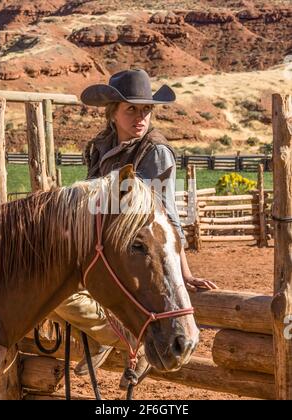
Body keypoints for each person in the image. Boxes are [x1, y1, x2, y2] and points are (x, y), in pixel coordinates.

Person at [51, 69, 217, 389]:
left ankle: (116, 337)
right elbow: (92, 202)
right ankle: (106, 336)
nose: (141, 117)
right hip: (102, 248)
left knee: (66, 296)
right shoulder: (101, 147)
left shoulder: (154, 153)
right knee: (50, 287)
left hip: (136, 254)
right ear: (112, 112)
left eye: (146, 109)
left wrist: (185, 273)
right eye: (132, 109)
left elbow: (166, 216)